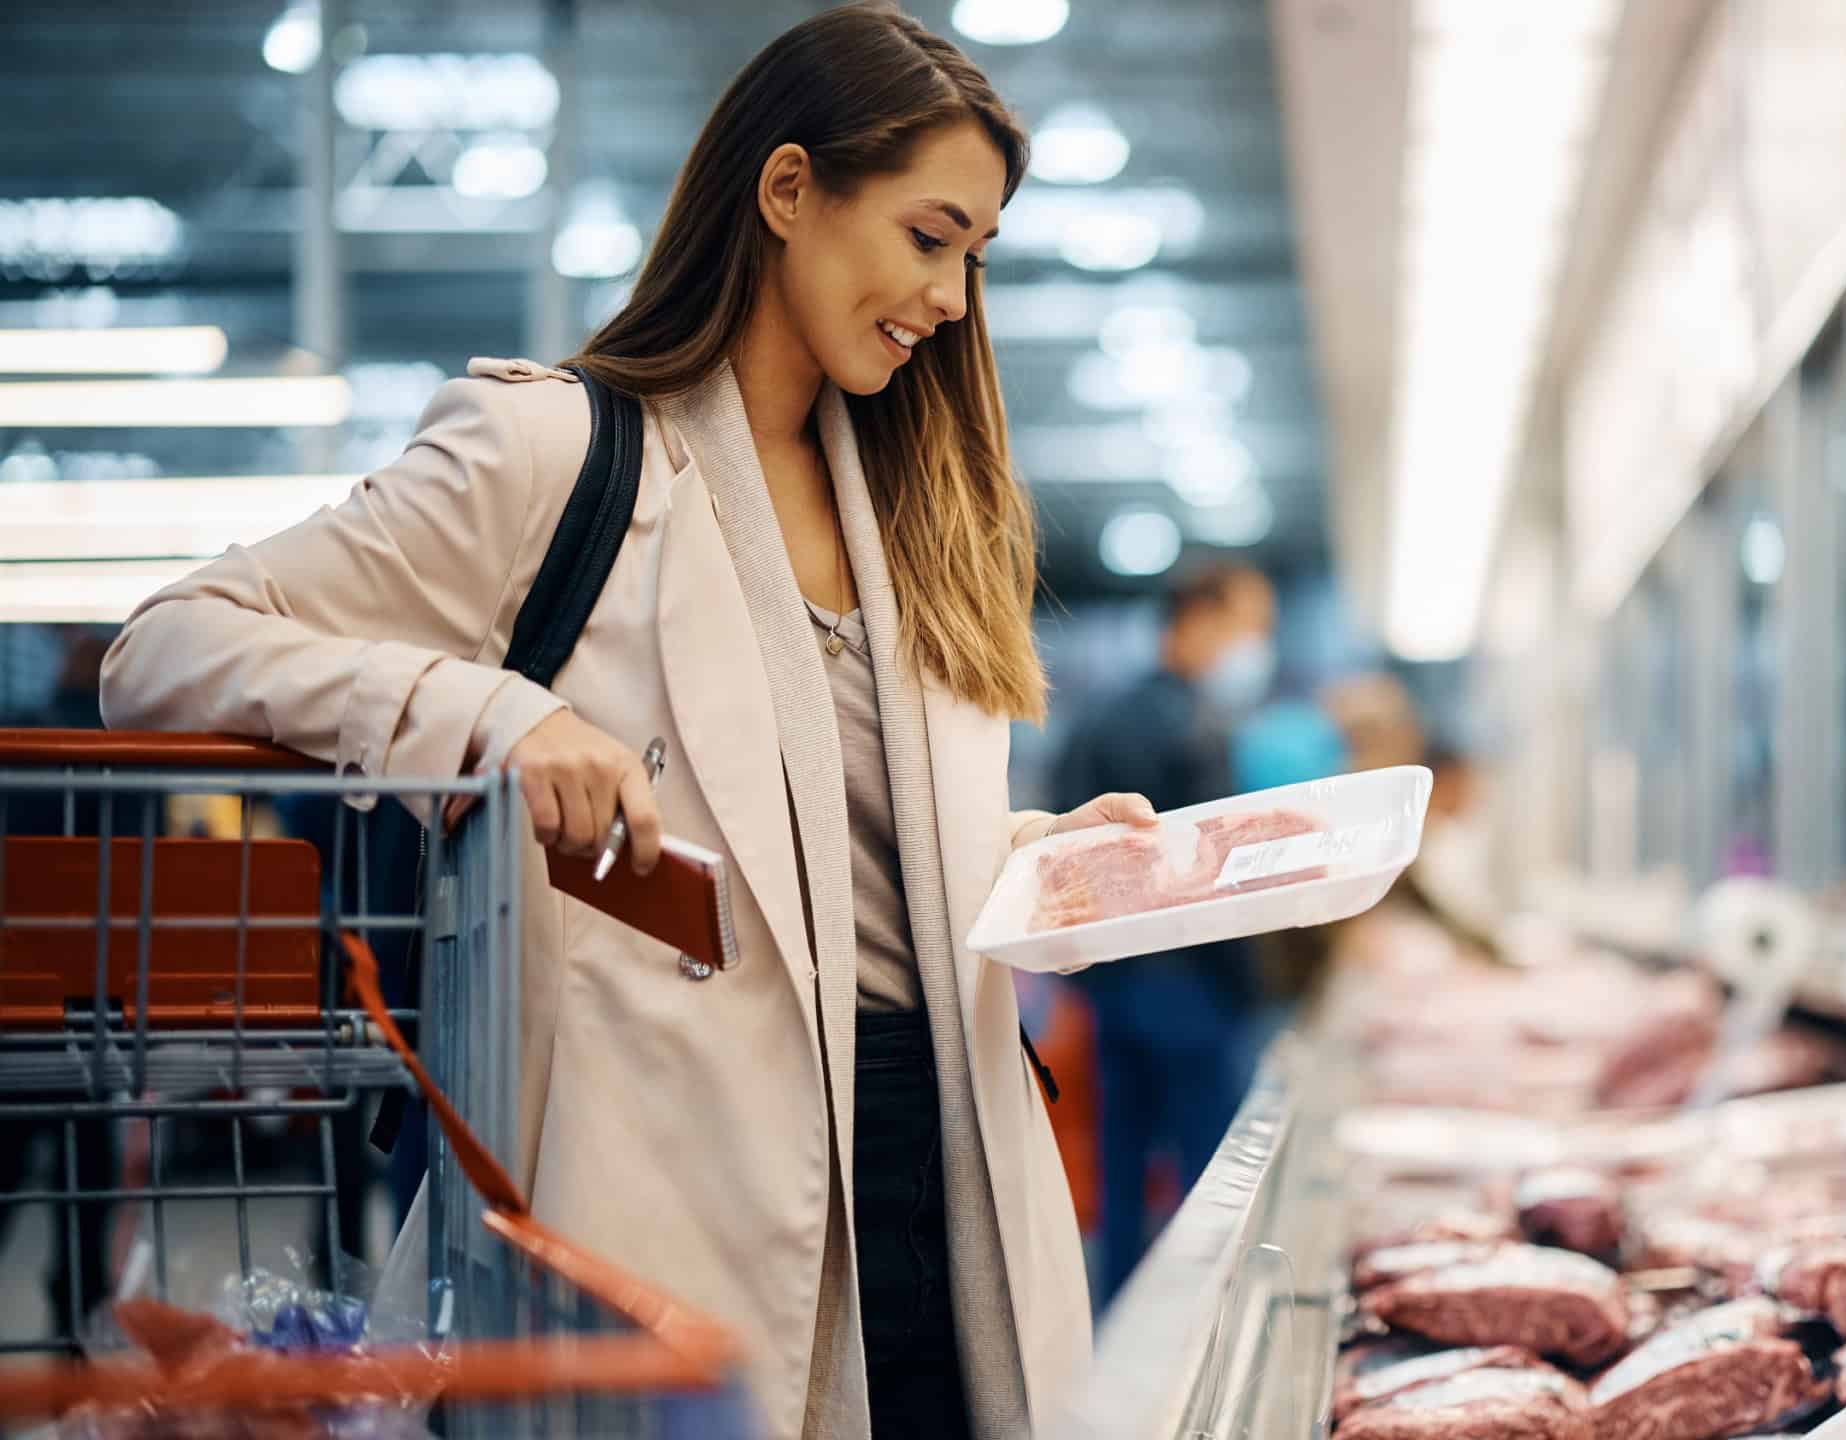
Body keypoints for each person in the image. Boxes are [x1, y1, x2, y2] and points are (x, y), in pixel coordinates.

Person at [97, 8, 1151, 1435]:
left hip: (947, 1186)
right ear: (788, 192)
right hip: (681, 1192)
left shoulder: (919, 510)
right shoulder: (553, 455)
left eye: (976, 255)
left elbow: (817, 848)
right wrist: (491, 718)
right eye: (929, 235)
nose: (955, 298)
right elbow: (167, 647)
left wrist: (1034, 852)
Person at [1048, 563, 1276, 1305]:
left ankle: (1118, 1320)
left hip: (1111, 981)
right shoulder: (1198, 726)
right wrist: (1250, 990)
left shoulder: (1097, 721)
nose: (1255, 643)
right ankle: (1202, 1320)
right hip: (1193, 987)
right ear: (1204, 615)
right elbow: (1217, 869)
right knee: (1209, 1176)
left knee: (1121, 1163)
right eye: (1251, 623)